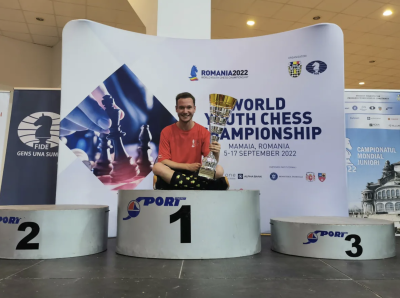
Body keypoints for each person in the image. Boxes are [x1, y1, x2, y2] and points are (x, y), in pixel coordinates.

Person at [152, 92, 229, 190]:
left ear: (194, 109)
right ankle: (198, 184)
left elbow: (211, 163)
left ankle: (183, 183)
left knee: (219, 170)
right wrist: (187, 167)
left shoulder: (203, 132)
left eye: (189, 107)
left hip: (195, 172)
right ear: (176, 109)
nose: (185, 111)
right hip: (174, 171)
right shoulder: (166, 131)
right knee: (157, 167)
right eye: (181, 107)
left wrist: (216, 153)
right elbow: (163, 160)